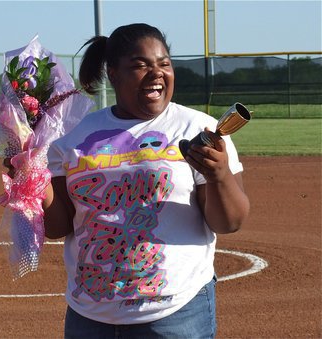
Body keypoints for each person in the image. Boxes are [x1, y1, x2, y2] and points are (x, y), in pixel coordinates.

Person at [43, 23, 250, 338]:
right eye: (140, 66)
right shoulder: (74, 135)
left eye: (164, 64)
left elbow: (229, 222)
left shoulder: (196, 129)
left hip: (173, 315)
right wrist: (28, 174)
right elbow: (56, 226)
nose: (156, 73)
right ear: (113, 74)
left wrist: (218, 174)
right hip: (89, 315)